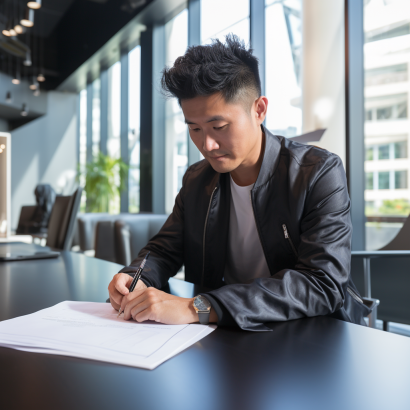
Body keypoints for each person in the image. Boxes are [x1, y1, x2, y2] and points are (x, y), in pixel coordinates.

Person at [108, 35, 370, 331]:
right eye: (194, 128)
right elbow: (165, 249)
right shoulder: (197, 180)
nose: (207, 144)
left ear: (259, 110)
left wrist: (200, 307)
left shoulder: (317, 172)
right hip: (227, 337)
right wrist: (136, 277)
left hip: (310, 338)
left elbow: (322, 283)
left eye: (219, 127)